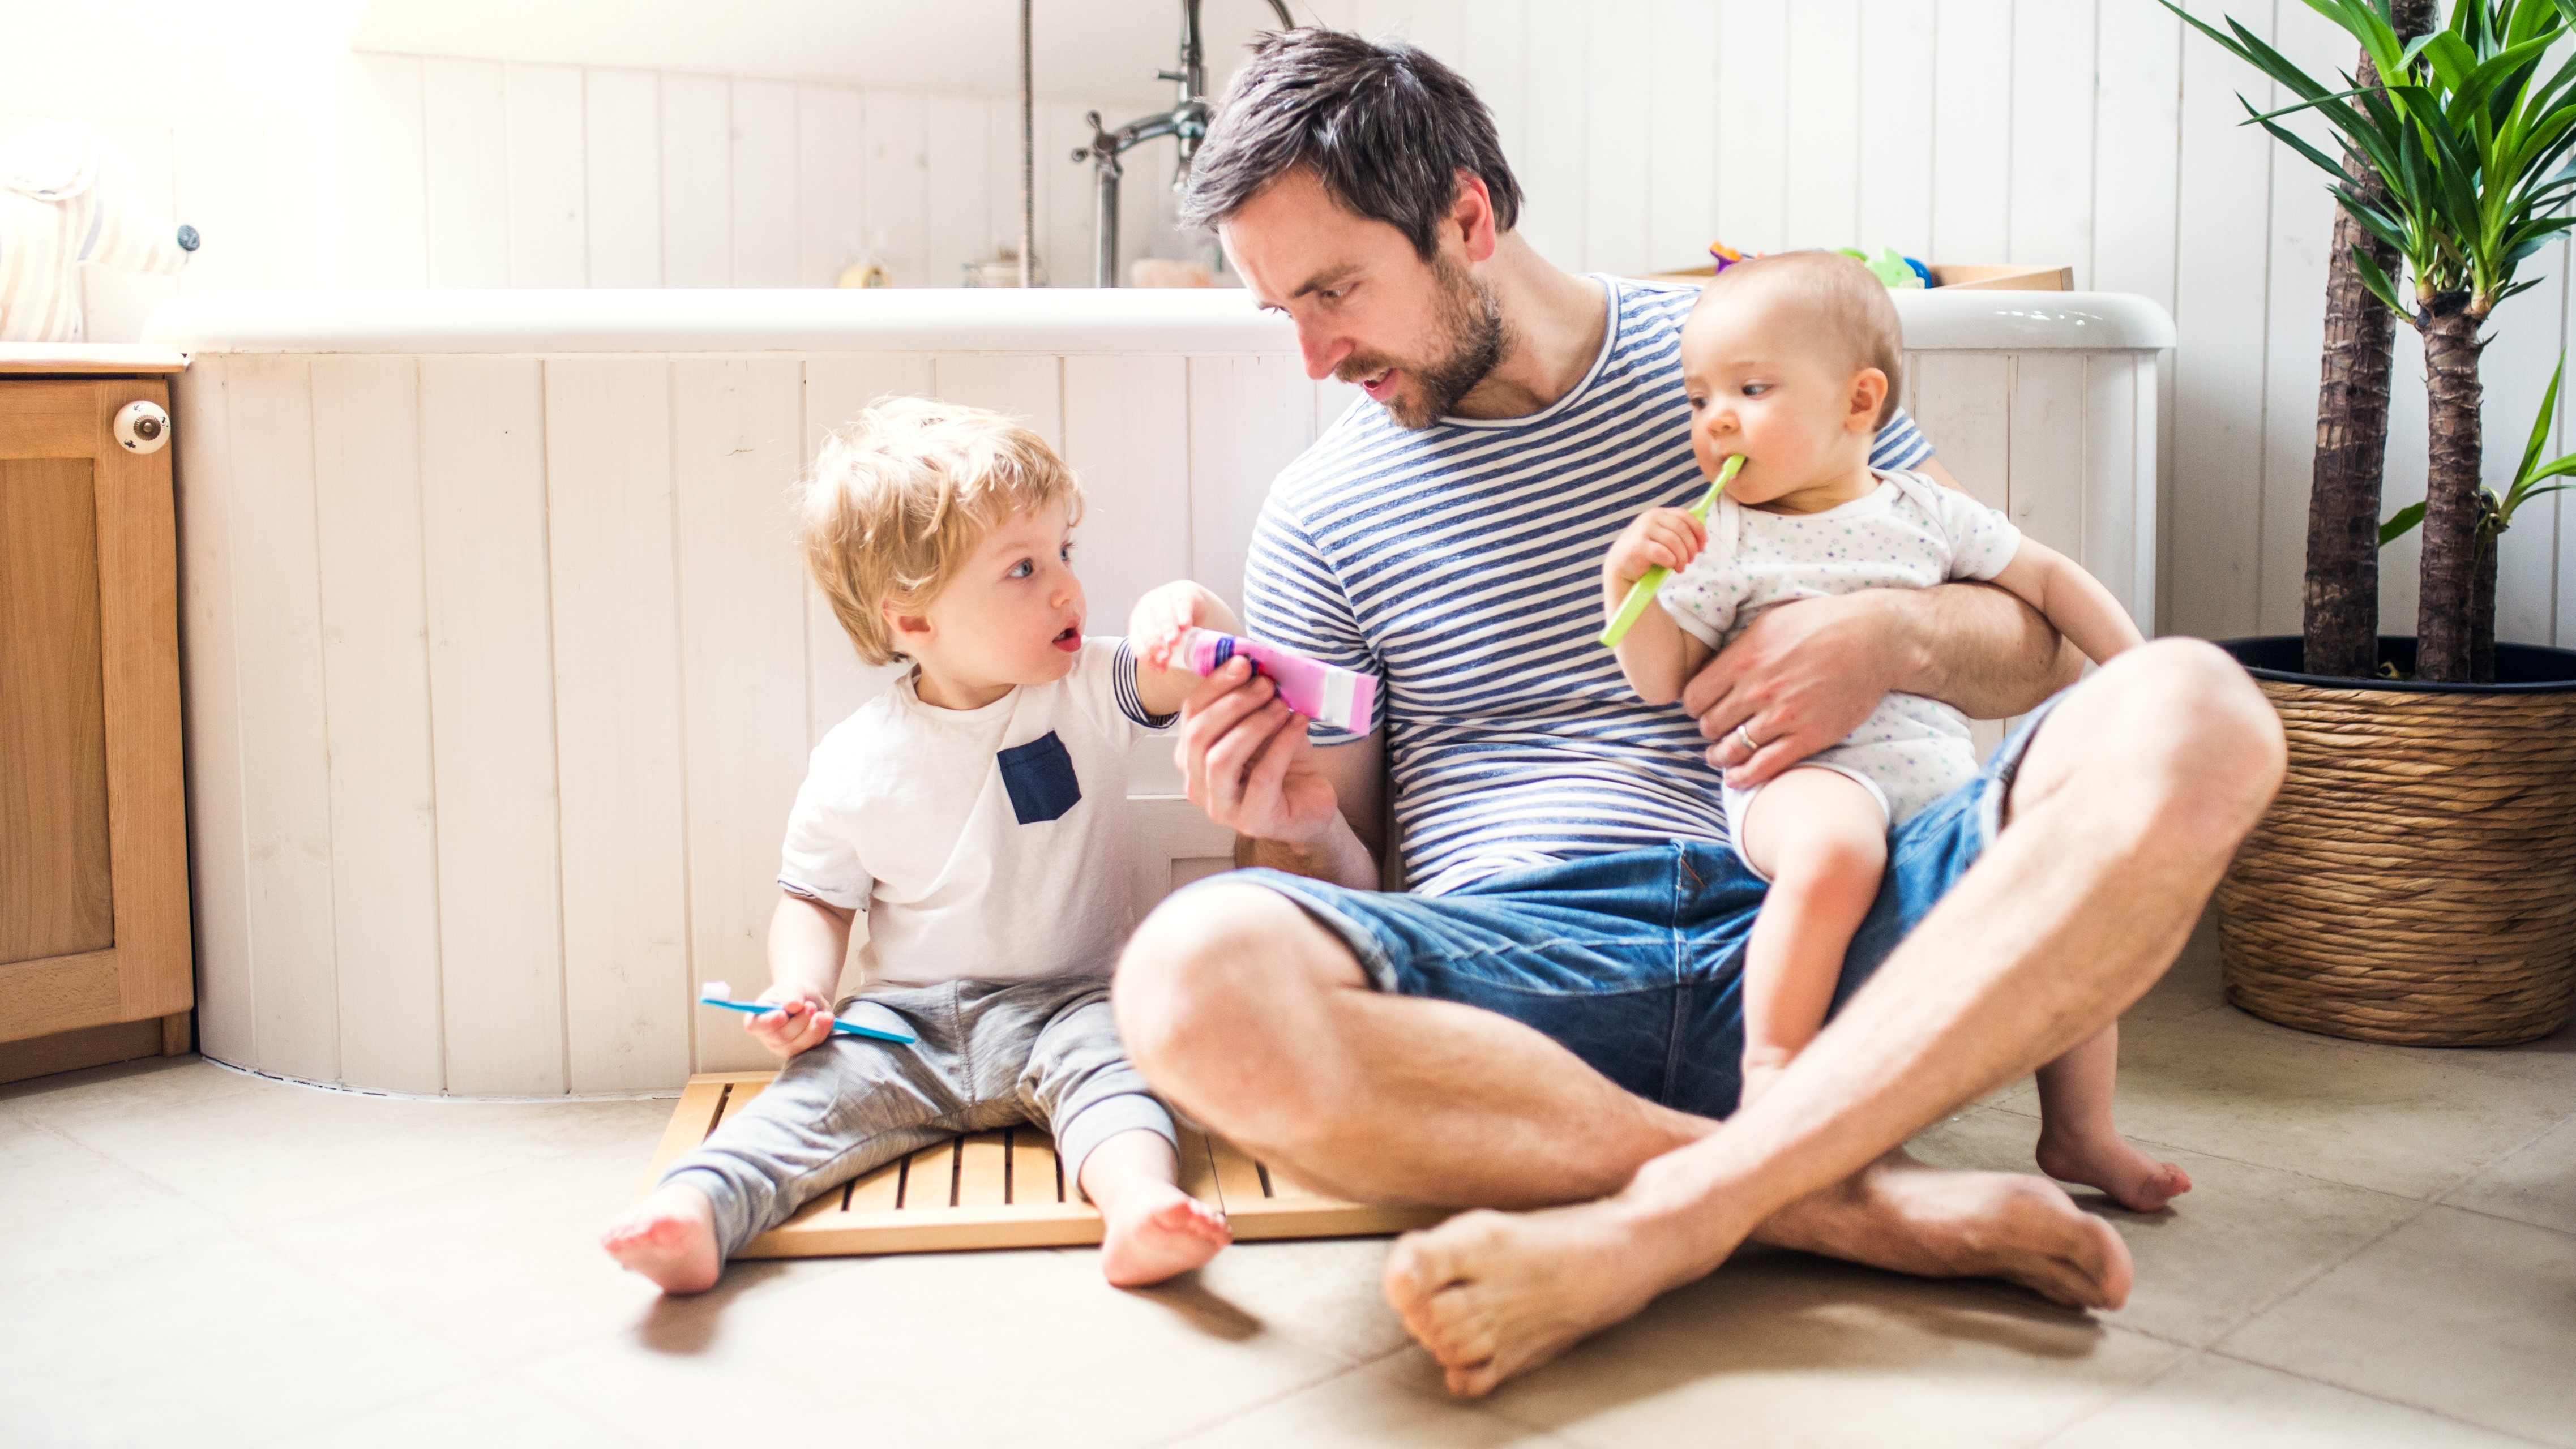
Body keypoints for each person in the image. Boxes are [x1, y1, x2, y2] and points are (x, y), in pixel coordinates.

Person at [1107, 29, 2283, 1397]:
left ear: (1467, 217)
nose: (1314, 354)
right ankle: (1833, 1204)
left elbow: (2027, 646)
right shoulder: (1319, 512)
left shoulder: (1748, 360)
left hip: (1843, 914)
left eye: (1335, 291)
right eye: (1281, 314)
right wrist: (1291, 825)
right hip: (1533, 979)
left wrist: (1888, 631)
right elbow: (1354, 881)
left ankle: (1664, 1217)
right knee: (1184, 973)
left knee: (2196, 703)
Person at [600, 398, 1235, 1294]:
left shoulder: (1087, 684)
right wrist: (803, 989)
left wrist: (1189, 608)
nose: (1065, 588)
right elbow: (815, 899)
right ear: (912, 622)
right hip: (902, 1023)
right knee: (807, 1105)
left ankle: (1137, 1207)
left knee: (1119, 1081)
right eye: (1022, 567)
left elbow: (1192, 662)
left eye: (1064, 553)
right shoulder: (857, 761)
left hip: (1072, 1001)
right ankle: (698, 1210)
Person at [1605, 250, 2187, 1212]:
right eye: (1698, 395)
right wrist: (1629, 582)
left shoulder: (1926, 511)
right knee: (1835, 851)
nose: (1714, 420)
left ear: (1858, 401)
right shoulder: (1722, 538)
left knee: (2065, 883)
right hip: (1795, 783)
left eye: (1750, 389)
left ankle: (2081, 1131)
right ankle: (1774, 1079)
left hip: (1936, 787)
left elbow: (2047, 581)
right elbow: (1660, 674)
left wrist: (2142, 676)